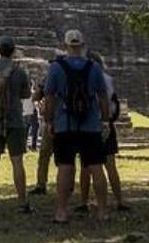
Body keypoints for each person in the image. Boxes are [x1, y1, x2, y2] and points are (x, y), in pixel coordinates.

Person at [42, 30, 110, 223]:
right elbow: (103, 97)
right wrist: (105, 121)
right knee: (96, 167)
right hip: (90, 125)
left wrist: (49, 121)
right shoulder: (94, 67)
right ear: (83, 45)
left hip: (65, 124)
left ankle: (62, 211)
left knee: (65, 167)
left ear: (65, 46)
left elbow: (50, 98)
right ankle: (102, 211)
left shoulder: (56, 67)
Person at [0, 36, 32, 214]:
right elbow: (26, 94)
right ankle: (22, 202)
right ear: (13, 50)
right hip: (14, 120)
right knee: (17, 161)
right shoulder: (18, 72)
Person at [78, 51, 129, 212]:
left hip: (87, 125)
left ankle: (83, 202)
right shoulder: (107, 79)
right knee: (110, 165)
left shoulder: (81, 78)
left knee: (86, 166)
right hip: (105, 123)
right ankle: (119, 200)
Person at [29, 68, 55, 196]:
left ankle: (41, 184)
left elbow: (35, 96)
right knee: (66, 158)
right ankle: (68, 184)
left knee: (44, 155)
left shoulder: (49, 78)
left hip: (51, 120)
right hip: (68, 122)